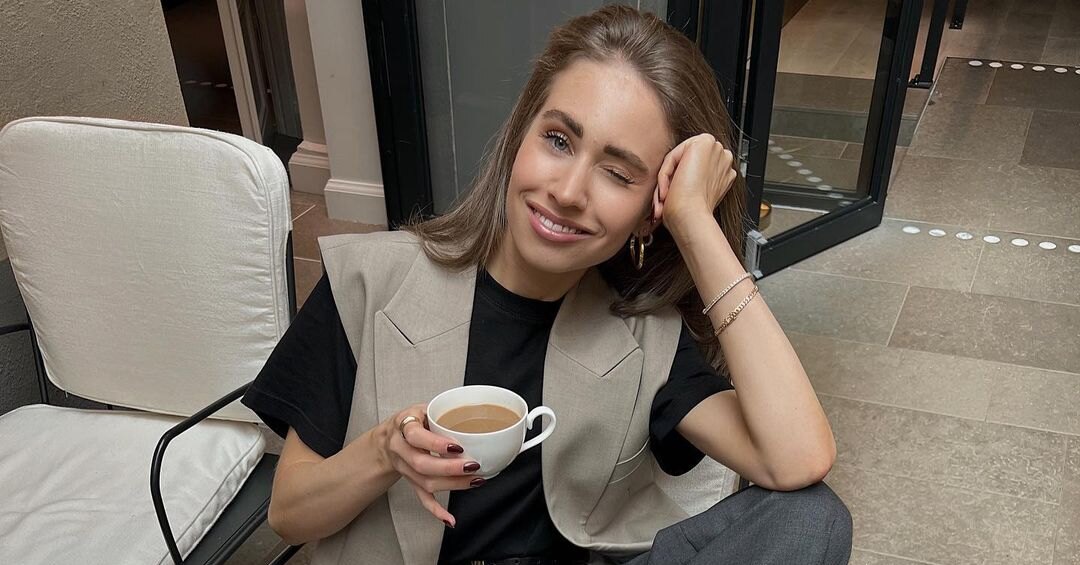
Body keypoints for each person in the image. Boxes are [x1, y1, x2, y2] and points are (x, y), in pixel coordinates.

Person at [241, 5, 852, 565]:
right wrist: (383, 453)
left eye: (618, 173)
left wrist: (696, 223)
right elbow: (289, 513)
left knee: (810, 518)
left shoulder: (648, 338)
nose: (567, 191)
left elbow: (797, 458)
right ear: (520, 135)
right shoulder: (369, 282)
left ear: (651, 212)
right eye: (558, 140)